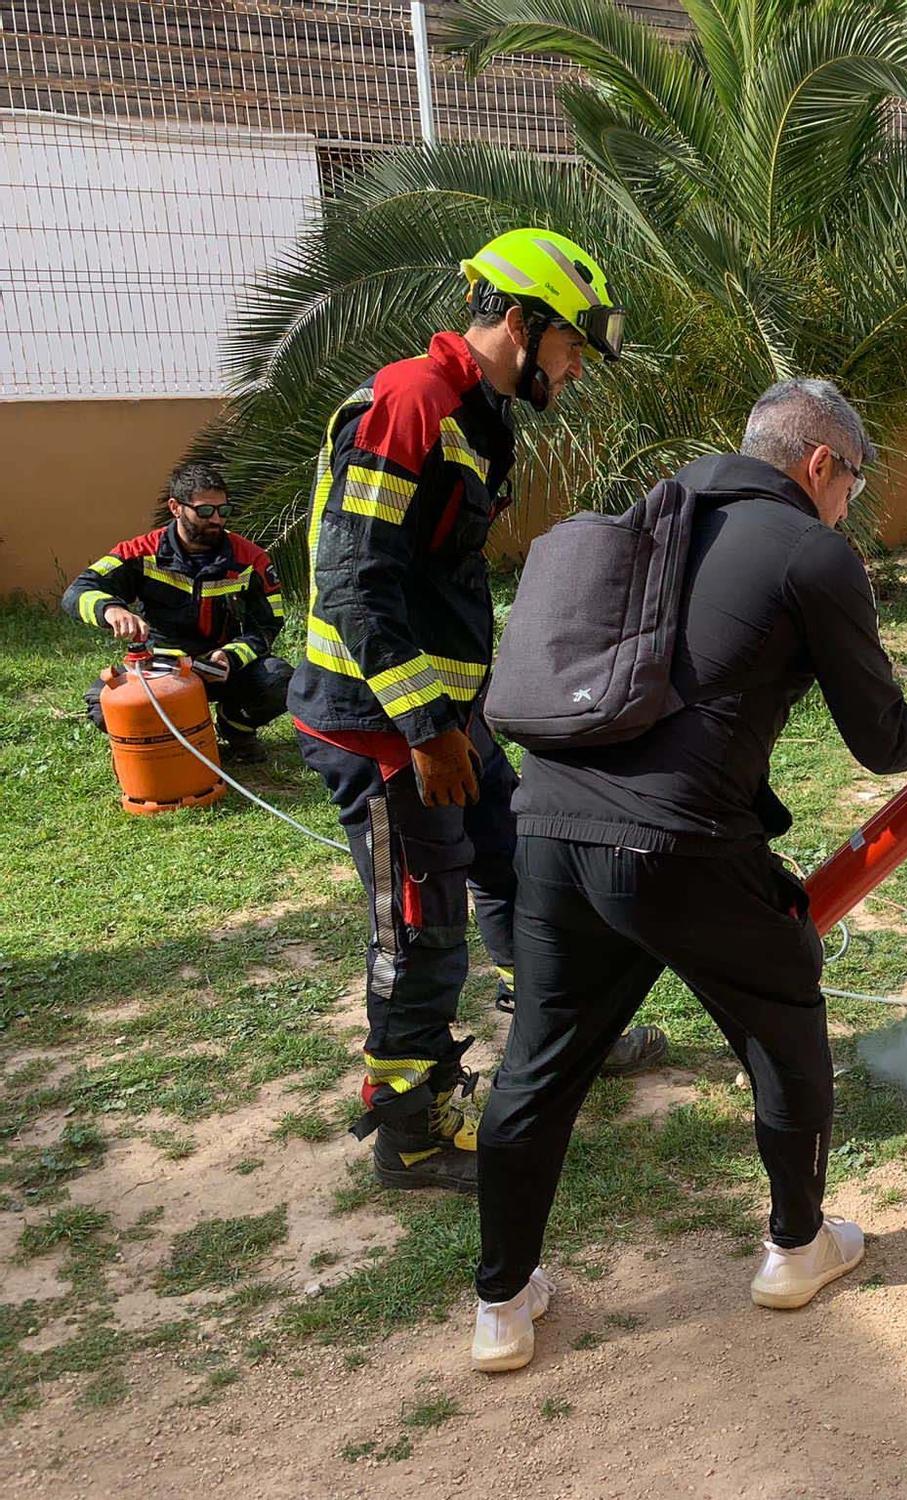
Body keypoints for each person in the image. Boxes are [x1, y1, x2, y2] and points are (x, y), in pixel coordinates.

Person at [469, 378, 907, 1371]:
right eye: (854, 477)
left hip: (545, 829)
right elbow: (882, 736)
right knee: (783, 1018)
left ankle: (501, 1305)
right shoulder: (813, 551)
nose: (852, 497)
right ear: (820, 465)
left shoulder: (650, 516)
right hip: (679, 849)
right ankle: (796, 1247)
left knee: (540, 1065)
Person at [290, 229, 666, 1196]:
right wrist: (426, 730)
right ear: (522, 322)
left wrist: (459, 721)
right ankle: (411, 1132)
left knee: (521, 865)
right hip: (384, 729)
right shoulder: (410, 403)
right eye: (572, 347)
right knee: (421, 927)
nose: (576, 369)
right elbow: (354, 586)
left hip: (452, 721)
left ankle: (558, 1037)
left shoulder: (478, 414)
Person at [63, 460, 292, 763]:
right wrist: (111, 609)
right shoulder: (141, 552)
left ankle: (235, 728)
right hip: (161, 671)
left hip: (222, 669)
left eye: (224, 511)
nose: (217, 520)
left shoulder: (250, 560)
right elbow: (76, 592)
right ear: (176, 507)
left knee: (282, 680)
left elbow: (267, 625)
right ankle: (179, 739)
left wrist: (231, 656)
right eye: (205, 511)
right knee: (102, 704)